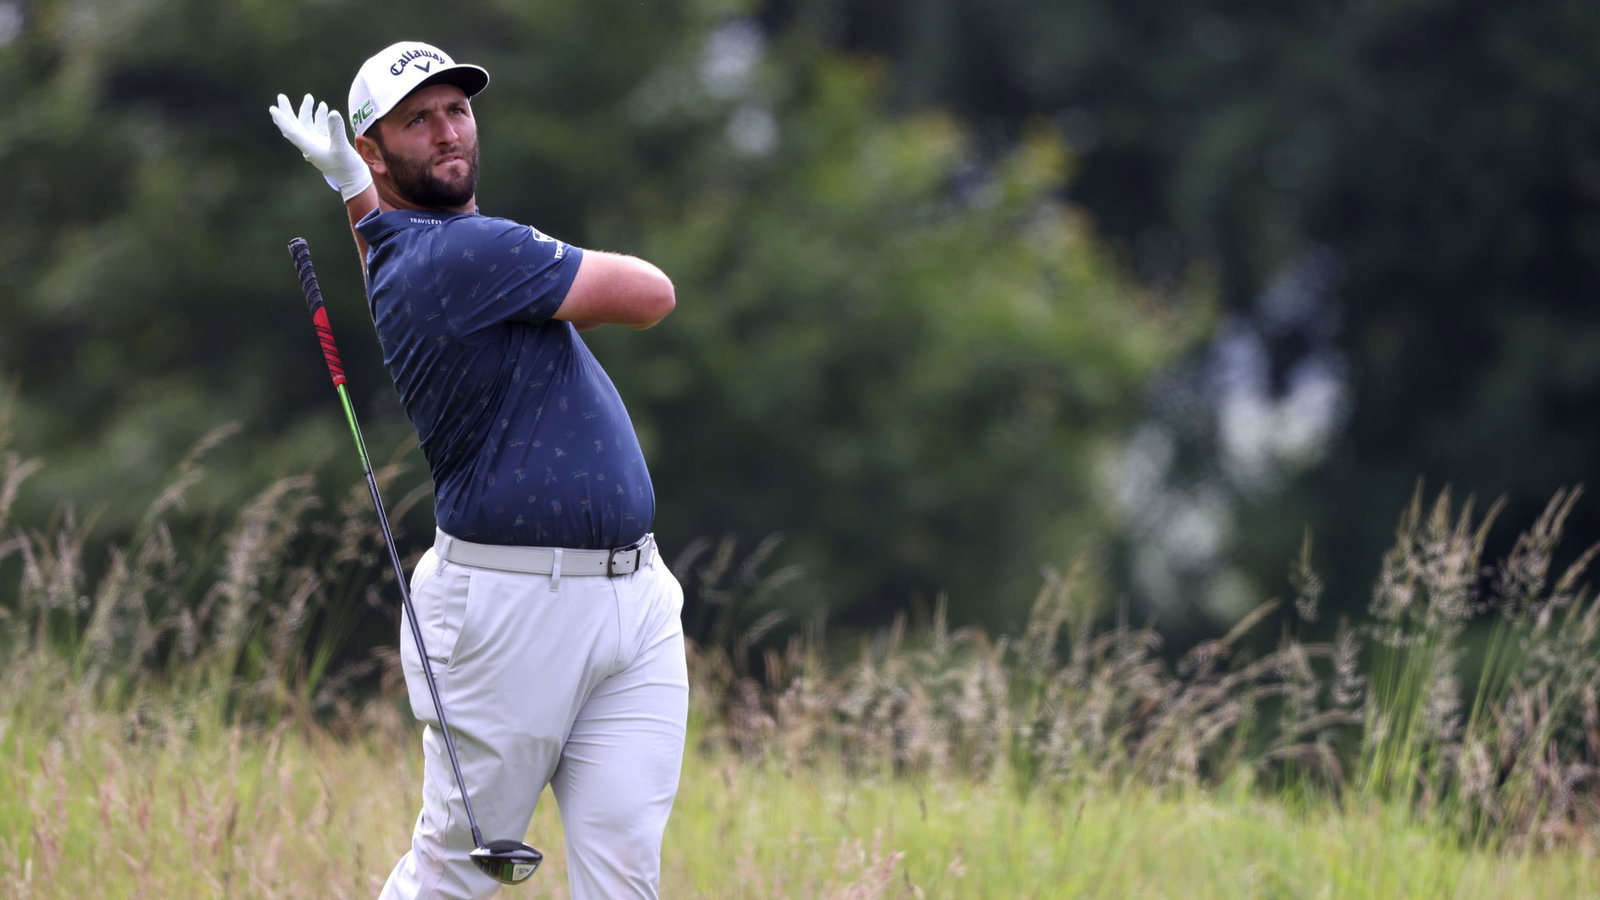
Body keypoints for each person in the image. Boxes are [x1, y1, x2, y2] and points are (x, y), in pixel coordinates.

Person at [269, 40, 688, 900]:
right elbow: (651, 293)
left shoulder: (405, 248)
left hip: (636, 602)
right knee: (456, 869)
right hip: (512, 609)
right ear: (378, 148)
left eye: (456, 109)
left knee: (626, 879)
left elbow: (386, 240)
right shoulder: (470, 254)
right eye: (415, 121)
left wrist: (355, 189)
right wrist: (546, 267)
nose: (447, 130)